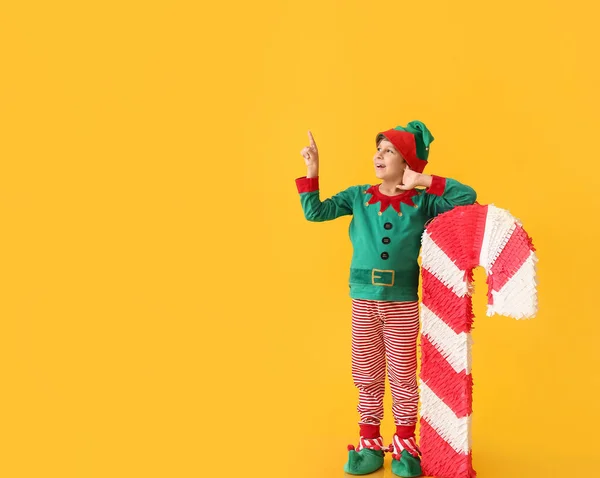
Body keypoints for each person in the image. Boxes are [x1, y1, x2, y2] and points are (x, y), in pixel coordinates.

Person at [295, 121, 477, 477]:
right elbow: (314, 211)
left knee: (403, 373)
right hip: (363, 299)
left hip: (403, 301)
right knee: (366, 371)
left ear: (406, 162)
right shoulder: (358, 195)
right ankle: (369, 442)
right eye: (378, 149)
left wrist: (423, 182)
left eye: (388, 150)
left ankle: (405, 443)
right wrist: (312, 172)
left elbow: (466, 198)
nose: (378, 155)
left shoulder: (423, 201)